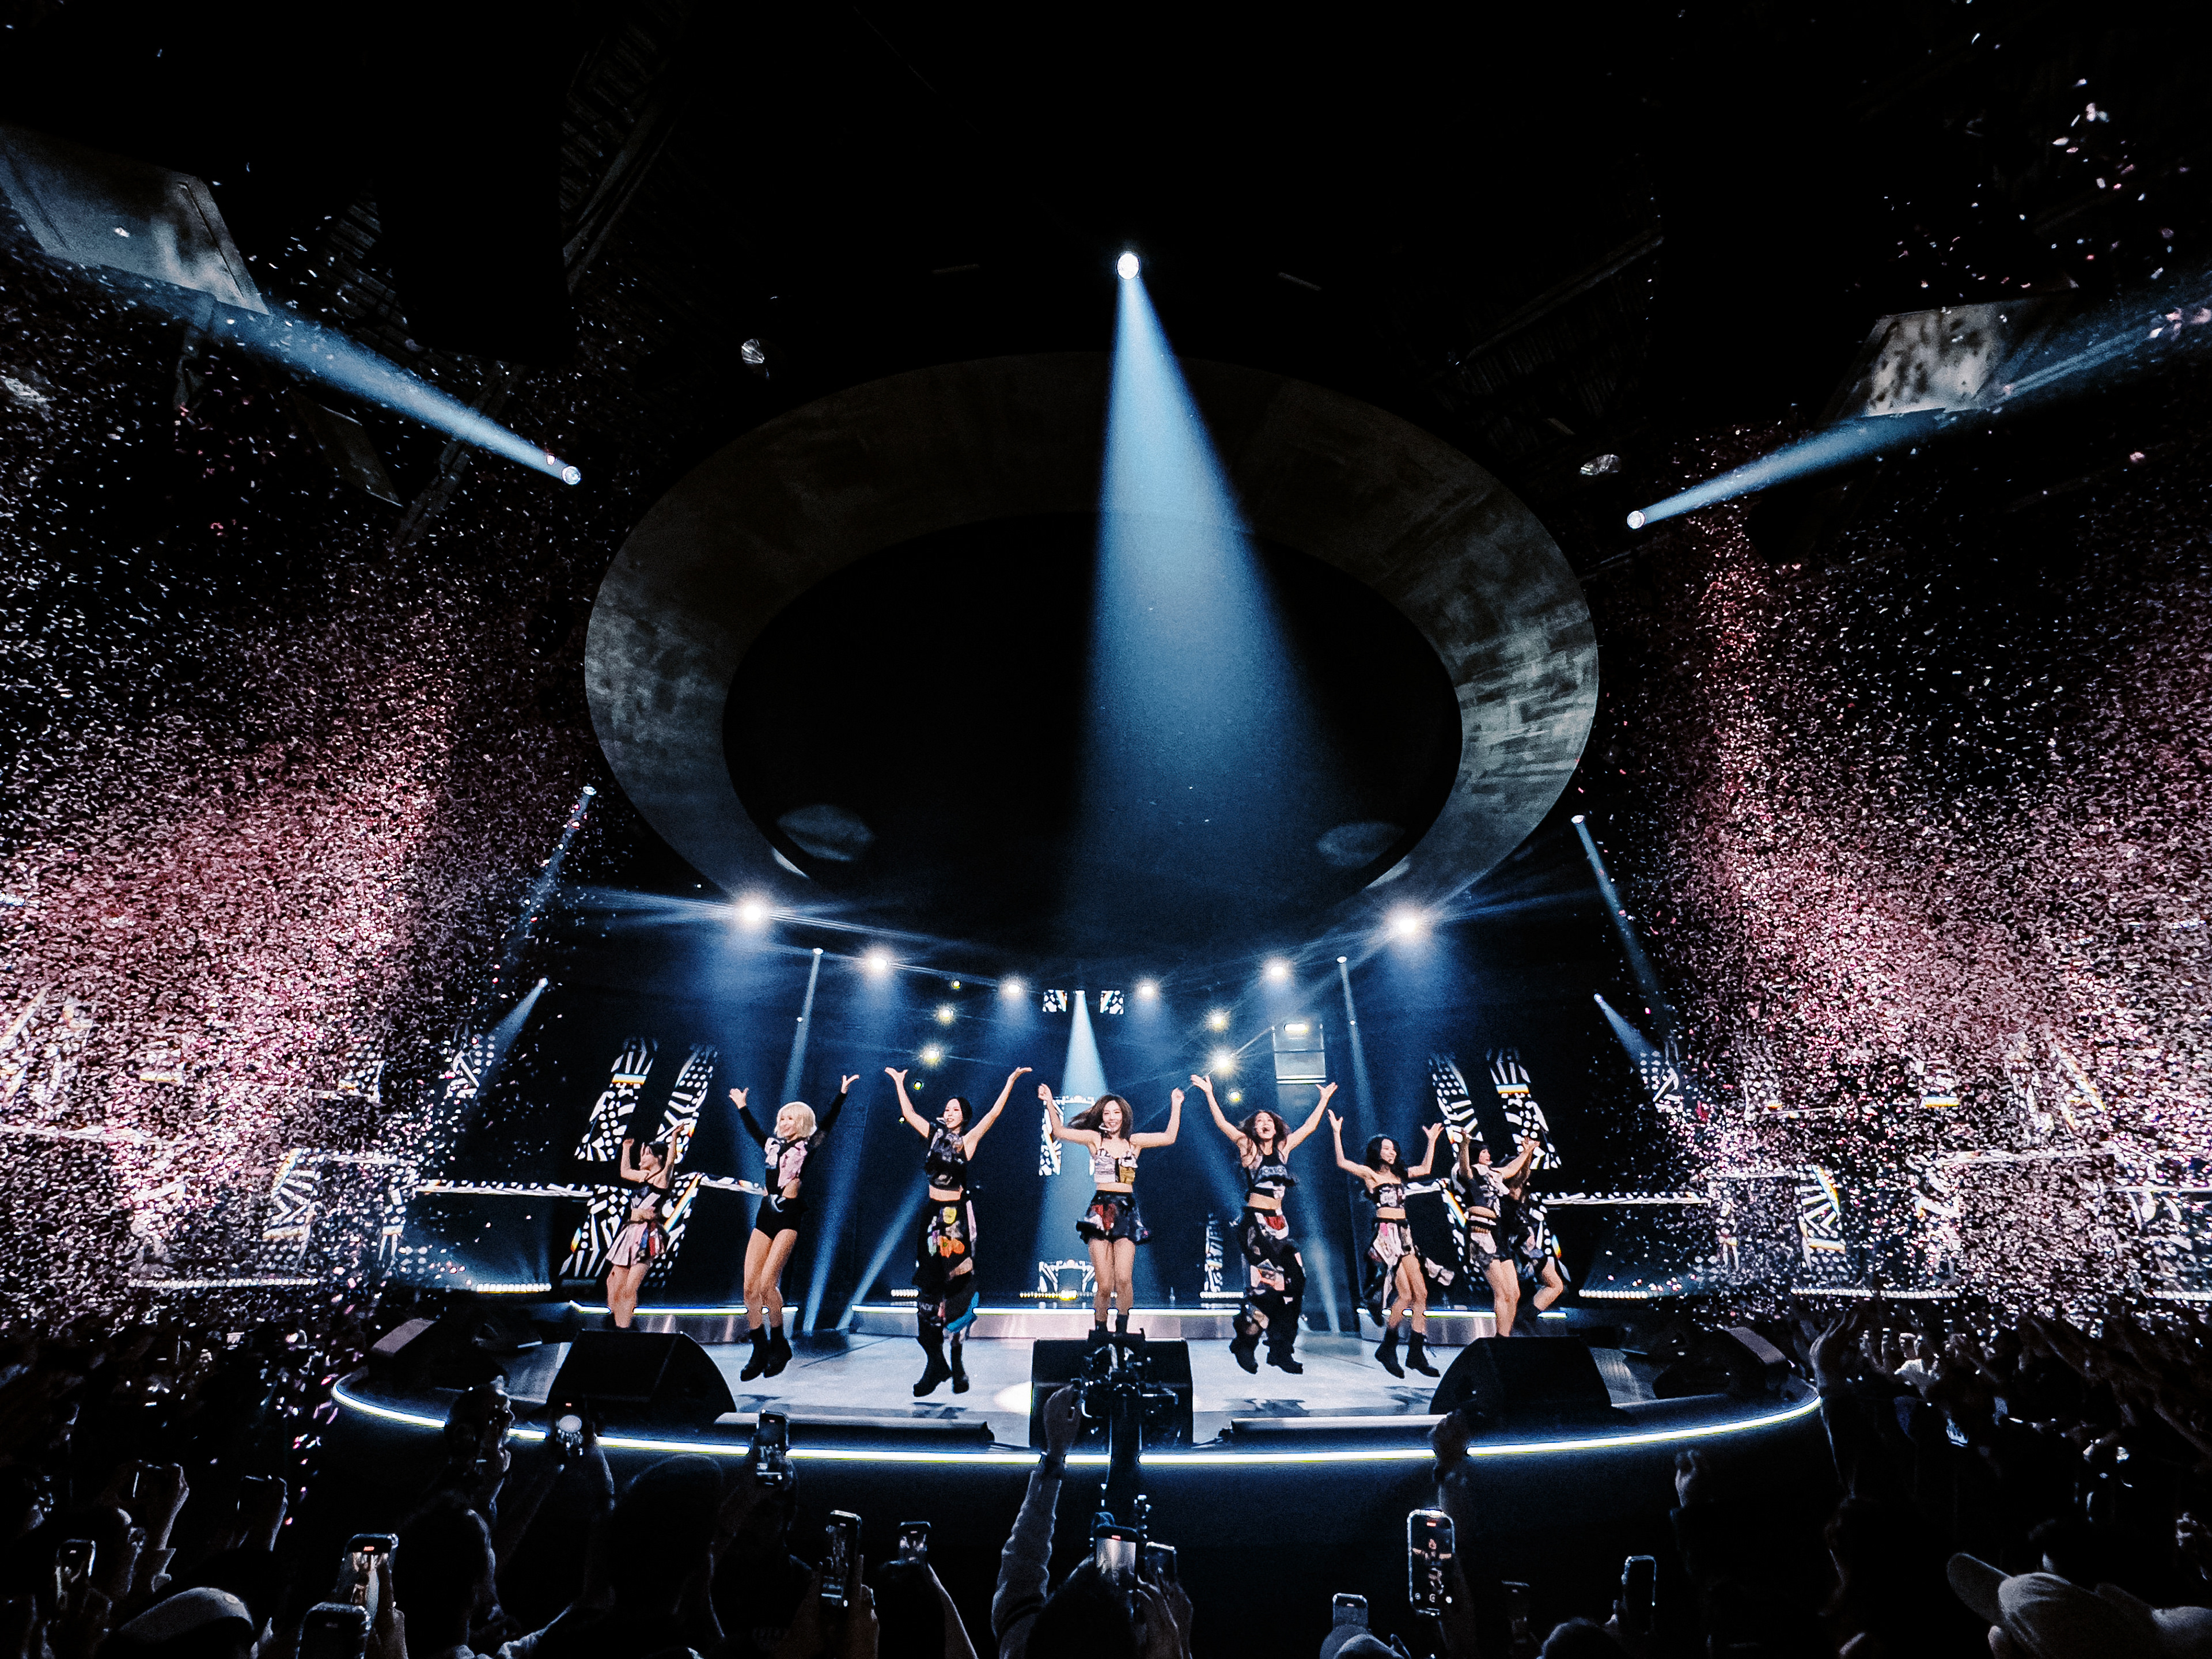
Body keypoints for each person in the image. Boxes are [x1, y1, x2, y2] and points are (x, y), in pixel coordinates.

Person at [889, 1066, 1028, 1397]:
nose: (949, 1112)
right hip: (931, 1216)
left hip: (955, 1217)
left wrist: (1009, 1082)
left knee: (957, 1286)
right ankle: (935, 1363)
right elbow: (910, 1113)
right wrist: (899, 1082)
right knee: (928, 1288)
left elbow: (994, 1114)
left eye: (955, 1109)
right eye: (947, 1108)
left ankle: (955, 1357)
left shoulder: (968, 1140)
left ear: (964, 1116)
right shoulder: (933, 1135)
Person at [1194, 1073, 1332, 1375]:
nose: (1265, 1124)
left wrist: (1323, 1100)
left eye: (1269, 1120)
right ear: (1254, 1129)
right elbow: (1223, 1125)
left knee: (1296, 1283)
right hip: (1254, 1226)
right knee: (1269, 1288)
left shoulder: (1283, 1149)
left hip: (1280, 1227)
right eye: (1259, 1122)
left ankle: (1280, 1349)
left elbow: (1309, 1127)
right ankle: (1247, 1341)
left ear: (1276, 1126)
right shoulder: (1249, 1148)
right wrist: (1209, 1093)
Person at [729, 1078, 855, 1381]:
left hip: (789, 1217)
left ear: (801, 1123)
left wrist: (841, 1095)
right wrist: (743, 1107)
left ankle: (779, 1342)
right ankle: (759, 1349)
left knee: (767, 1285)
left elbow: (827, 1126)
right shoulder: (772, 1146)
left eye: (790, 1118)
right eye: (782, 1118)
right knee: (749, 1289)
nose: (784, 1123)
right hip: (766, 1215)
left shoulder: (806, 1147)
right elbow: (755, 1132)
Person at [1043, 1084, 1182, 1341]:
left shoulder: (1134, 1143)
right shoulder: (1095, 1140)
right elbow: (1060, 1132)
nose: (1111, 1117)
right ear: (1101, 1116)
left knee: (1124, 1279)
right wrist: (1050, 1102)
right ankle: (1100, 1333)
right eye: (1107, 1113)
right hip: (1101, 1209)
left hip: (1126, 1210)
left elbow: (1169, 1137)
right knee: (1105, 1284)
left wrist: (1176, 1104)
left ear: (1124, 1115)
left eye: (1116, 1112)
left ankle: (1122, 1331)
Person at [1331, 1113, 1446, 1377]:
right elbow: (1342, 1162)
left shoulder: (1401, 1175)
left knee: (1416, 1295)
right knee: (1411, 1294)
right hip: (1386, 1235)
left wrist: (1431, 1141)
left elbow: (1425, 1169)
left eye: (1394, 1149)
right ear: (1377, 1152)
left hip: (1405, 1235)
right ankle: (1395, 1348)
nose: (1392, 1152)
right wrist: (1337, 1132)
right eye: (1386, 1148)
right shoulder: (1371, 1175)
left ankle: (1407, 1351)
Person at [1454, 1132, 1540, 1338]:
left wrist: (1527, 1152)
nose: (1488, 1155)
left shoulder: (1493, 1173)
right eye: (1483, 1152)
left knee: (1514, 1293)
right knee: (1501, 1291)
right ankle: (1501, 1339)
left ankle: (1505, 1336)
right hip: (1481, 1231)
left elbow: (1511, 1169)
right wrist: (1464, 1145)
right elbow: (1465, 1169)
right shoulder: (1469, 1172)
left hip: (1498, 1231)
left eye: (1488, 1151)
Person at [605, 1135, 676, 1330]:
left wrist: (674, 1137)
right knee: (614, 1282)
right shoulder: (642, 1176)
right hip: (630, 1232)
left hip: (645, 1235)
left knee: (629, 1288)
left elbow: (671, 1161)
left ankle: (624, 1328)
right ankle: (616, 1323)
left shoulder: (661, 1179)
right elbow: (625, 1171)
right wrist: (626, 1149)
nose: (642, 1158)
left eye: (646, 1154)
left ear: (658, 1158)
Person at [1502, 1164, 1568, 1319]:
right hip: (1515, 1249)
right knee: (1514, 1291)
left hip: (1530, 1249)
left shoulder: (1525, 1196)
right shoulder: (1504, 1195)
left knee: (1556, 1285)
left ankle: (1526, 1316)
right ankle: (1518, 1319)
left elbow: (1525, 1174)